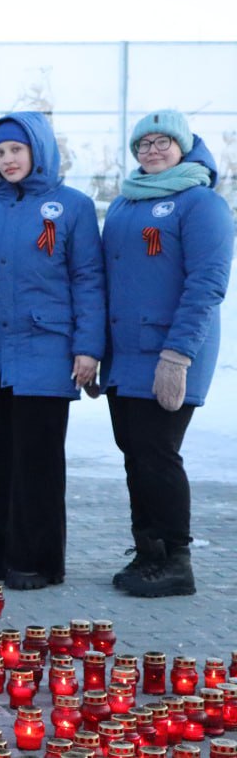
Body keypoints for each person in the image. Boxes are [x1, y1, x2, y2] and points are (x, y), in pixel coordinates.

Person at [0, 111, 105, 591]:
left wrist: (88, 347)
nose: (8, 159)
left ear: (38, 150)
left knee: (37, 461)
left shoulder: (73, 206)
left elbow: (88, 279)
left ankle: (37, 560)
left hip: (47, 349)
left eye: (16, 149)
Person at [100, 110, 232, 598]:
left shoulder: (201, 203)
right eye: (144, 144)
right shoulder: (125, 203)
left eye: (163, 142)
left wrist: (178, 356)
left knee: (158, 454)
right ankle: (148, 551)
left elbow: (207, 284)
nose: (153, 151)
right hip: (124, 354)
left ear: (183, 146)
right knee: (135, 454)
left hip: (170, 353)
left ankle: (177, 560)